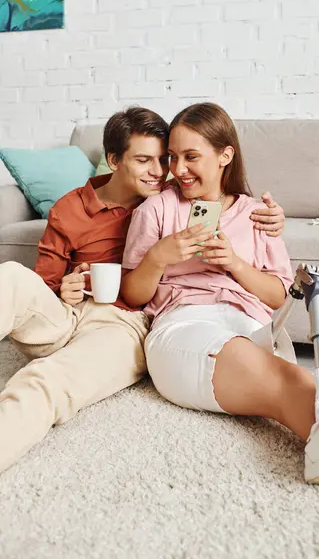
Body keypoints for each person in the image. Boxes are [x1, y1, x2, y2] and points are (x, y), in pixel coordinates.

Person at [120, 102, 319, 485]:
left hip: (252, 327)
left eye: (191, 156)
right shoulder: (155, 210)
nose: (178, 169)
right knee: (280, 376)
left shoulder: (256, 214)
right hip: (185, 327)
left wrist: (235, 263)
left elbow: (276, 295)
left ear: (225, 155)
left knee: (289, 376)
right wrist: (158, 256)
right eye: (173, 157)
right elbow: (133, 296)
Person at [0, 107, 284, 474]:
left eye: (163, 159)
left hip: (124, 323)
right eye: (144, 160)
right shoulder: (70, 207)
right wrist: (63, 286)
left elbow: (222, 189)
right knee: (10, 276)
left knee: (47, 380)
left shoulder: (172, 196)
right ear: (114, 161)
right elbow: (44, 278)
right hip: (68, 312)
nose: (161, 171)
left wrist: (275, 217)